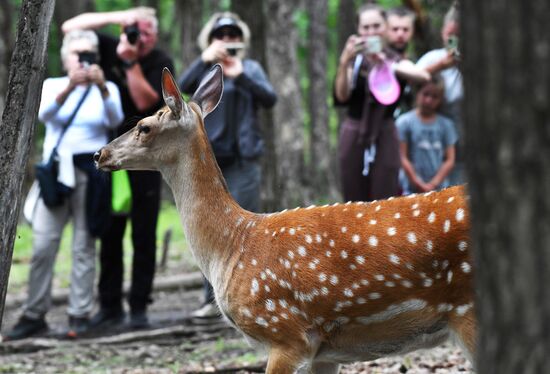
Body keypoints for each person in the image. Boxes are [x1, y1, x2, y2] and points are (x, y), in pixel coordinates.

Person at [3, 30, 124, 340]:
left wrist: (100, 86)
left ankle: (79, 314)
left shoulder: (107, 87)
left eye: (89, 54)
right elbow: (45, 115)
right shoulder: (53, 85)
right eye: (78, 54)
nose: (83, 60)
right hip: (57, 173)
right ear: (66, 57)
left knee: (84, 245)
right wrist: (71, 86)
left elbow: (115, 119)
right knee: (44, 244)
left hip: (92, 171)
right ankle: (34, 313)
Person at [62, 7, 174, 329]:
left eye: (145, 33)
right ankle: (109, 306)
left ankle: (138, 307)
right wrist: (120, 18)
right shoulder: (115, 43)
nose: (139, 38)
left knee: (143, 234)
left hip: (146, 159)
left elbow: (145, 104)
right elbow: (71, 25)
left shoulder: (160, 61)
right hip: (110, 154)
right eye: (135, 31)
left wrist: (129, 63)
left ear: (154, 35)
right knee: (110, 232)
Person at [178, 12, 277, 318]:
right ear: (210, 39)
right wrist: (205, 60)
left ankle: (250, 296)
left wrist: (240, 74)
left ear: (242, 39)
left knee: (246, 230)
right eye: (222, 35)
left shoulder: (251, 68)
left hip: (244, 161)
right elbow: (181, 88)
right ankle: (210, 300)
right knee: (209, 230)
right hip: (210, 163)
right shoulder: (206, 68)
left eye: (234, 34)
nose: (228, 40)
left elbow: (270, 98)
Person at [334, 3, 428, 202]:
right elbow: (342, 96)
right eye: (366, 28)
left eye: (376, 26)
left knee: (385, 199)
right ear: (358, 30)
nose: (371, 32)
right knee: (353, 201)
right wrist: (344, 62)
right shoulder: (354, 61)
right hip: (354, 133)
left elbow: (423, 76)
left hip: (385, 133)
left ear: (385, 27)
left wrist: (386, 64)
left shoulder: (396, 58)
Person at [416, 4, 463, 185]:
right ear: (442, 31)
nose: (454, 41)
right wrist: (442, 66)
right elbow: (409, 79)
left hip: (463, 146)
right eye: (449, 35)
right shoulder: (433, 58)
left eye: (458, 36)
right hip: (431, 146)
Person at [397, 75, 457, 194]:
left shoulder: (446, 125)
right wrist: (417, 182)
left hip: (440, 190)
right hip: (411, 189)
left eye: (435, 97)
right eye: (425, 94)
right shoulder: (404, 122)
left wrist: (434, 183)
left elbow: (450, 159)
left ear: (441, 100)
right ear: (417, 93)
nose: (429, 100)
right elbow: (402, 157)